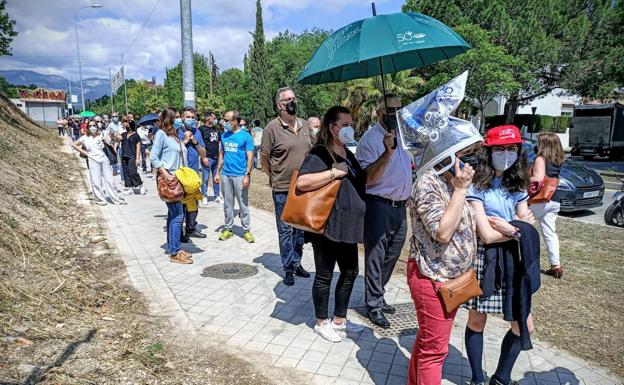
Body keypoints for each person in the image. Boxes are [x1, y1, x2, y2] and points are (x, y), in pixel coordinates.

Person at [464, 125, 536, 385]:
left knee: (524, 325)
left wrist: (512, 228)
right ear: (488, 151)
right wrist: (516, 228)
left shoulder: (517, 184)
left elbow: (528, 223)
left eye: (512, 148)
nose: (506, 154)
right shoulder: (477, 185)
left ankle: (501, 378)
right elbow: (487, 235)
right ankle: (476, 379)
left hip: (514, 259)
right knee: (477, 320)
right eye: (500, 149)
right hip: (484, 258)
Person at [408, 143, 480, 384]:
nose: (467, 160)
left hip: (453, 278)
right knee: (435, 351)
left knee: (428, 340)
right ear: (445, 153)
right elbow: (442, 232)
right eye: (463, 154)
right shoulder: (427, 183)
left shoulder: (449, 179)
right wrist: (460, 191)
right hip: (432, 277)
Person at [296, 106, 366, 342]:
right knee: (325, 274)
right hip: (327, 224)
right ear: (331, 127)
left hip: (349, 225)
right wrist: (333, 173)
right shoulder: (320, 153)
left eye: (350, 124)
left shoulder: (348, 152)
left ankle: (340, 319)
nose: (349, 128)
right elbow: (303, 182)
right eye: (344, 125)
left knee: (350, 271)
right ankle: (321, 321)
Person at [355, 94, 412, 328]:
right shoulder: (370, 140)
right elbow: (367, 178)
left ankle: (378, 292)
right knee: (376, 256)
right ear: (379, 113)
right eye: (390, 110)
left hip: (400, 207)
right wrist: (387, 152)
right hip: (378, 205)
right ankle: (373, 304)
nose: (395, 114)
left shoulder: (404, 136)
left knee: (393, 253)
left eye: (399, 109)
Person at [260, 87, 312, 286]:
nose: (292, 102)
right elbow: (264, 158)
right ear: (279, 105)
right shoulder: (271, 129)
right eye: (288, 99)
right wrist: (273, 177)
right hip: (282, 187)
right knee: (286, 230)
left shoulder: (305, 125)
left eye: (294, 98)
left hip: (304, 186)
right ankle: (288, 267)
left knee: (300, 230)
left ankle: (297, 262)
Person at [150, 108, 192, 265]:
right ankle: (174, 252)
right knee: (178, 215)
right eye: (177, 117)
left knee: (172, 215)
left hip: (179, 178)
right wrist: (165, 173)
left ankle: (173, 247)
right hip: (170, 179)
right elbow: (153, 156)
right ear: (169, 119)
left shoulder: (175, 136)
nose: (180, 119)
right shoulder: (161, 134)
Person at [215, 110, 255, 243]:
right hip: (226, 175)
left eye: (226, 120)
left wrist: (247, 175)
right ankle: (228, 228)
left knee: (243, 204)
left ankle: (246, 230)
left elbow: (250, 157)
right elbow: (221, 155)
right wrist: (217, 173)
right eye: (224, 120)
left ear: (235, 121)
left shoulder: (246, 136)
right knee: (227, 204)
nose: (224, 122)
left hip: (240, 175)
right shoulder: (224, 136)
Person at [529, 132, 564, 278]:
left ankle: (521, 259)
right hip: (553, 200)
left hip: (539, 199)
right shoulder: (557, 160)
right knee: (550, 233)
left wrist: (524, 177)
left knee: (518, 224)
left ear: (543, 144)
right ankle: (555, 266)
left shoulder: (541, 159)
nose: (536, 145)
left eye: (538, 142)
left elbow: (537, 179)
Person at [71, 121, 126, 206]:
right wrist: (85, 152)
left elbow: (110, 142)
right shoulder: (84, 138)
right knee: (96, 181)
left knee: (110, 180)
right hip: (93, 160)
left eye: (94, 125)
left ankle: (116, 199)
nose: (92, 127)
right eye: (90, 126)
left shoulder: (101, 135)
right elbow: (74, 145)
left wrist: (106, 139)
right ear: (88, 127)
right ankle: (100, 199)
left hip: (104, 159)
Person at [178, 106, 208, 240]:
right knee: (180, 204)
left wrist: (195, 142)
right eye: (188, 117)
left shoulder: (197, 132)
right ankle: (179, 232)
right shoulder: (176, 131)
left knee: (193, 202)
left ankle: (191, 228)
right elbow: (174, 151)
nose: (190, 119)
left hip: (193, 174)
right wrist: (185, 140)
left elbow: (203, 153)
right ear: (182, 117)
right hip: (180, 173)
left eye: (193, 117)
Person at [199, 111, 222, 205]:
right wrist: (203, 157)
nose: (215, 120)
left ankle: (217, 195)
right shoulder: (201, 129)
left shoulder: (216, 129)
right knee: (205, 178)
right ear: (209, 119)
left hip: (216, 157)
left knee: (216, 177)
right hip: (207, 158)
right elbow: (199, 144)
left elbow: (219, 142)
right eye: (214, 118)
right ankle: (204, 195)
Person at [120, 121, 146, 194]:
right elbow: (118, 140)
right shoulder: (123, 134)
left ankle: (141, 185)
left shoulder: (136, 135)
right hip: (124, 156)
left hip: (132, 156)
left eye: (128, 125)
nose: (127, 126)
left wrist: (137, 158)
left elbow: (138, 147)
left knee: (133, 172)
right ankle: (130, 188)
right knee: (126, 172)